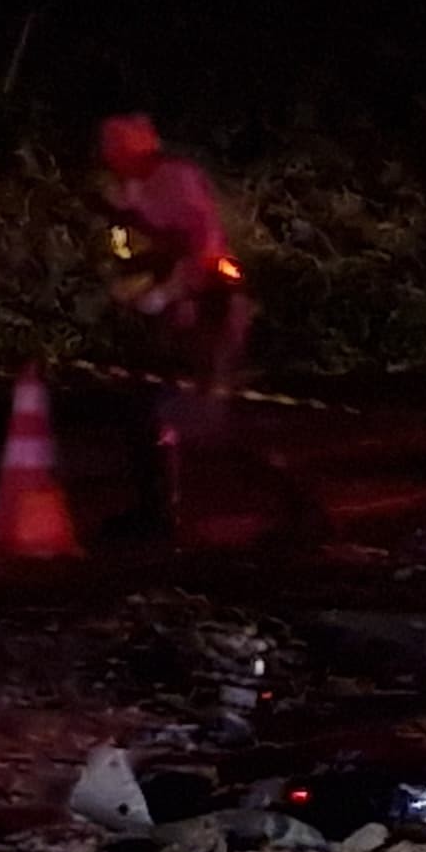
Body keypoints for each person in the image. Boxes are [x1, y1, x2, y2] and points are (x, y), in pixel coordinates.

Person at [95, 111, 252, 544]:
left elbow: (200, 249)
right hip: (163, 313)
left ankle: (170, 511)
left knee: (185, 412)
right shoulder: (125, 189)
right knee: (148, 410)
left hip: (202, 310)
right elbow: (128, 252)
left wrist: (164, 296)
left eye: (113, 147)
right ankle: (156, 509)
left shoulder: (174, 181)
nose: (107, 155)